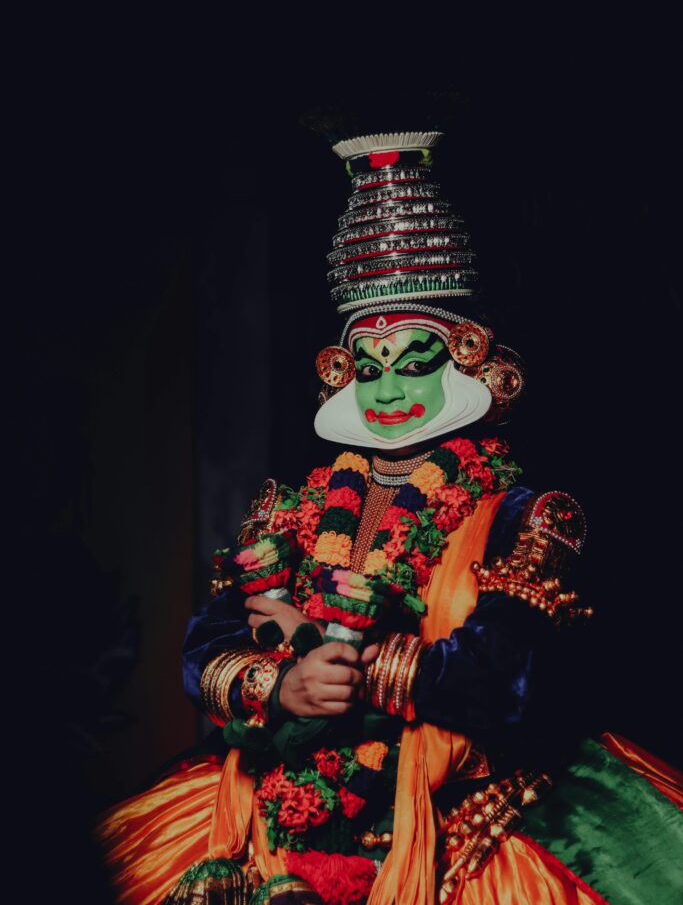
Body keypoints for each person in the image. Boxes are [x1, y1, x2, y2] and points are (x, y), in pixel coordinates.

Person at [95, 131, 683, 905]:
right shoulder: (294, 507)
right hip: (274, 811)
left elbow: (499, 677)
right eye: (367, 368)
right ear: (339, 375)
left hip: (461, 817)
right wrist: (284, 686)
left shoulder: (528, 514)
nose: (387, 389)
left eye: (415, 362)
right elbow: (208, 646)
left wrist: (330, 658)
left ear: (468, 359)